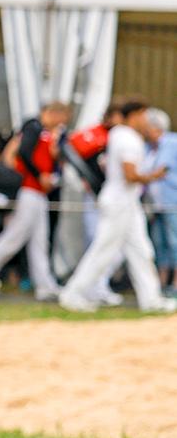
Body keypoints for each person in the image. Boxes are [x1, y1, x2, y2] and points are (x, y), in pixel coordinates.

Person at [59, 102, 175, 314]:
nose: (147, 121)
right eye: (144, 115)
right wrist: (154, 176)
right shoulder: (127, 138)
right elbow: (130, 175)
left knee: (141, 250)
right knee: (103, 250)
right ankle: (73, 293)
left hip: (128, 202)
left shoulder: (122, 135)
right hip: (119, 202)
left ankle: (151, 298)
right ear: (136, 114)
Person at [0, 102, 67, 299]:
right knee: (13, 237)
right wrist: (39, 174)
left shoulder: (46, 133)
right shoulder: (32, 127)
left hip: (39, 193)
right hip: (28, 190)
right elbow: (23, 153)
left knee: (39, 241)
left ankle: (44, 284)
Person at [147, 108, 177, 295]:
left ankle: (175, 284)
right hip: (155, 205)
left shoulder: (171, 142)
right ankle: (161, 282)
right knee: (159, 242)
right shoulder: (149, 147)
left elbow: (162, 170)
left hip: (172, 202)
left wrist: (137, 176)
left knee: (175, 241)